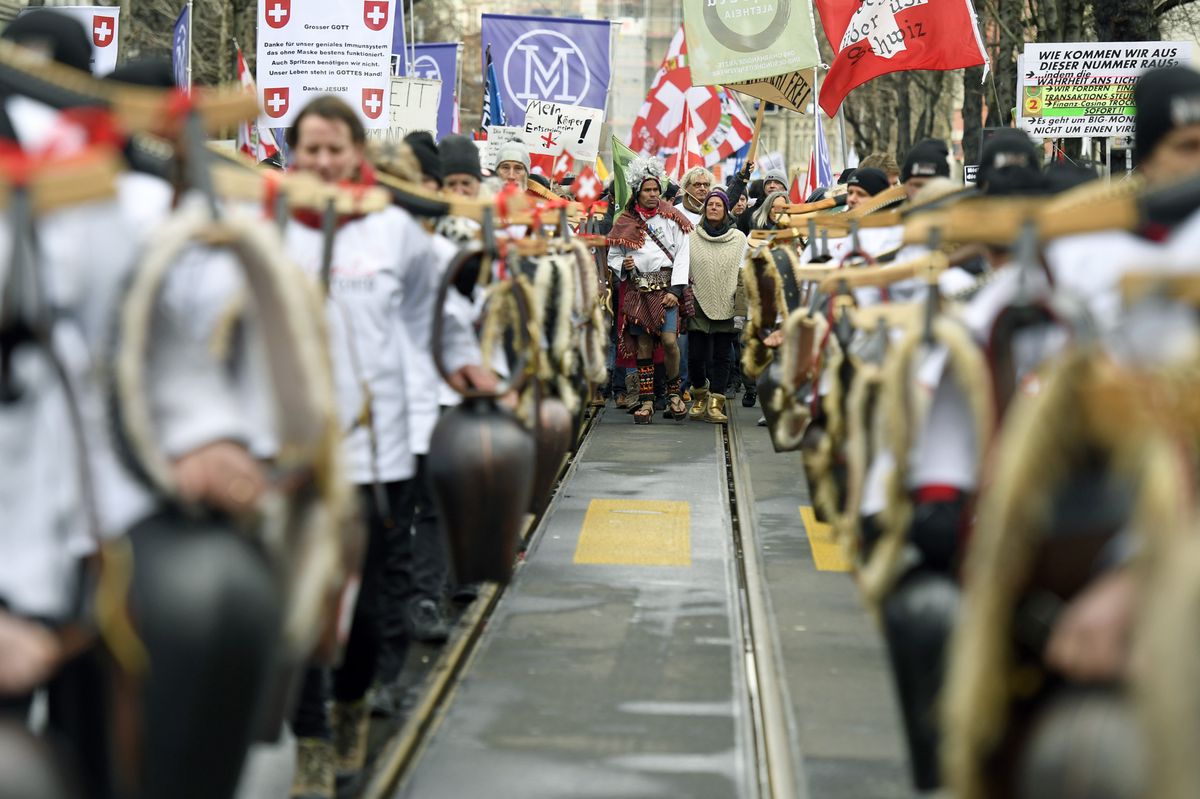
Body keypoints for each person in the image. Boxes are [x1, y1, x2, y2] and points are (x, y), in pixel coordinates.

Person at [283, 95, 463, 796]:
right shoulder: (265, 225)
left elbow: (434, 325)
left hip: (374, 454)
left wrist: (462, 373)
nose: (323, 163)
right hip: (293, 455)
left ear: (357, 152)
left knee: (358, 616)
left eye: (335, 150)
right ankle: (311, 741)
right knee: (301, 605)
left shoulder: (395, 232)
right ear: (294, 154)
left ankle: (352, 700)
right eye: (310, 150)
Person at [606, 157, 693, 424]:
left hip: (666, 289)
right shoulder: (625, 220)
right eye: (648, 190)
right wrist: (624, 263)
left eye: (656, 190)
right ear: (638, 192)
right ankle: (646, 401)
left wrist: (676, 292)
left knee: (669, 341)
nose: (653, 194)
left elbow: (683, 255)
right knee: (643, 345)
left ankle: (673, 395)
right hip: (637, 289)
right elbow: (613, 254)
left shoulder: (673, 216)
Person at [686, 188, 747, 423]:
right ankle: (700, 393)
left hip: (728, 301)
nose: (713, 207)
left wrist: (741, 307)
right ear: (704, 209)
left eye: (718, 205)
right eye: (710, 204)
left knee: (723, 355)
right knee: (696, 354)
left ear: (725, 210)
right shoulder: (691, 237)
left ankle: (716, 401)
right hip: (699, 299)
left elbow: (742, 274)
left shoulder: (739, 239)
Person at [439, 134, 483, 198]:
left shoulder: (495, 207)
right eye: (451, 184)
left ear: (478, 184)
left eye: (466, 183)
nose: (459, 193)